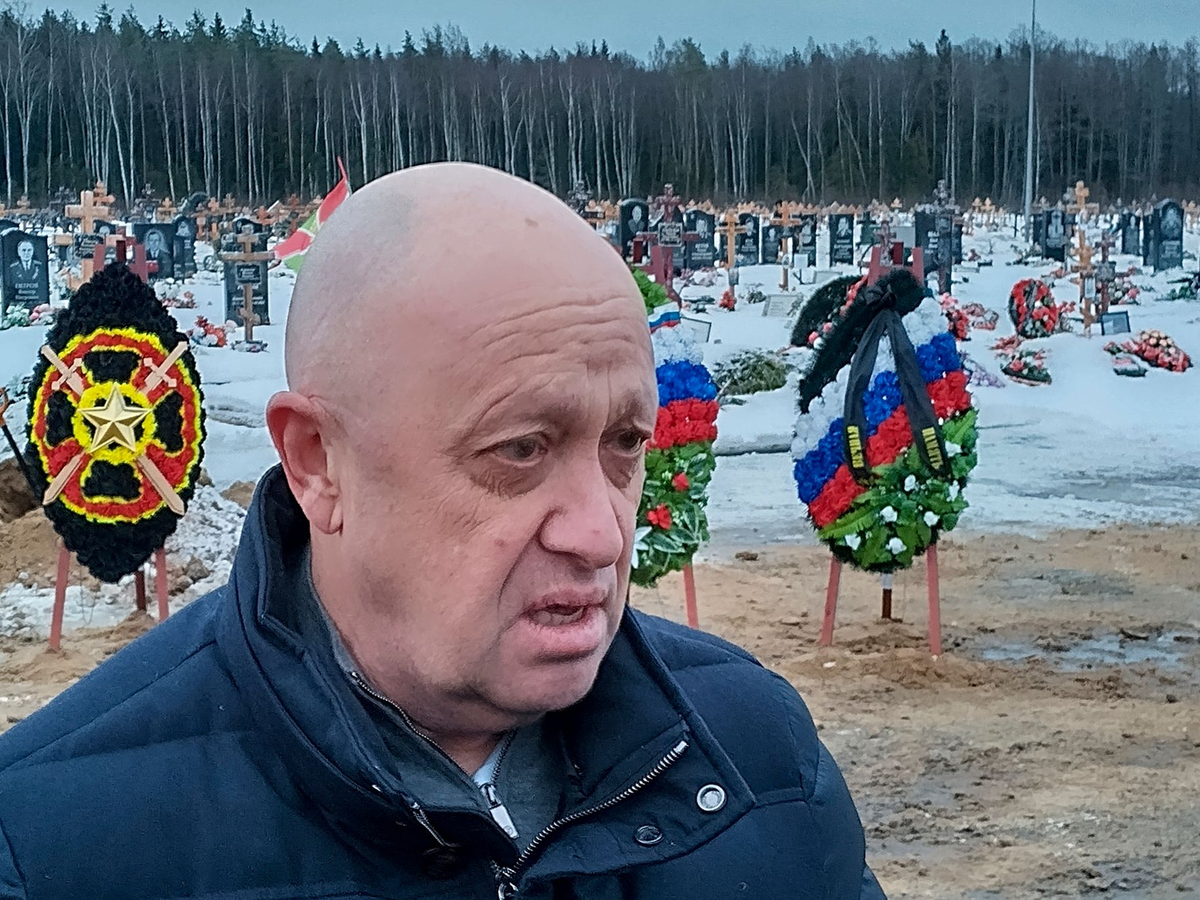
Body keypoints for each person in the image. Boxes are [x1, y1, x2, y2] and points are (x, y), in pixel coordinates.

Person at [0, 163, 884, 900]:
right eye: (520, 450)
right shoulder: (54, 845)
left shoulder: (761, 760)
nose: (602, 536)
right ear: (318, 463)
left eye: (624, 445)